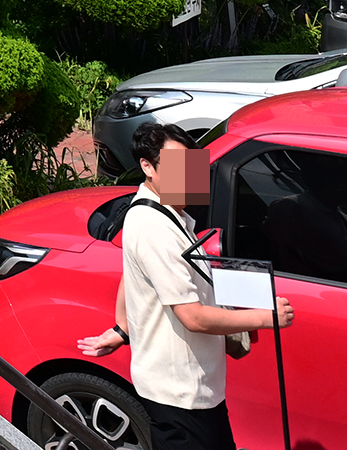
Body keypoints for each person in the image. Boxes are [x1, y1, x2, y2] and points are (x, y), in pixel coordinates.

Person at [75, 120, 292, 450]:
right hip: (179, 393)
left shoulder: (167, 213)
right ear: (147, 166)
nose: (189, 177)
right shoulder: (154, 227)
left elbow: (130, 274)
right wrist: (267, 317)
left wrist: (121, 330)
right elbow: (193, 317)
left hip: (194, 388)